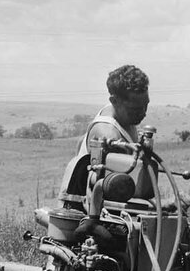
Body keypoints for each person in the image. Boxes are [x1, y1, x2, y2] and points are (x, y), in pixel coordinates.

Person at [58, 64, 155, 208]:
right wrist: (157, 205)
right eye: (135, 109)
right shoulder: (107, 132)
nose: (143, 113)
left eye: (145, 105)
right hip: (90, 212)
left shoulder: (123, 117)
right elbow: (119, 189)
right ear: (114, 101)